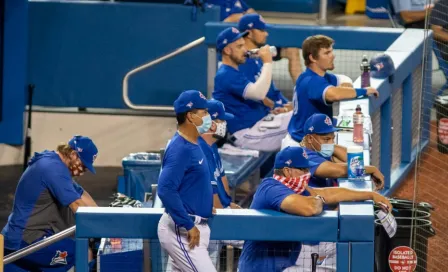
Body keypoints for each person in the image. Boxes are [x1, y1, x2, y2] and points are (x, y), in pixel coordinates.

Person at [237, 146, 392, 272]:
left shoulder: (295, 187)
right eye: (303, 169)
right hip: (259, 266)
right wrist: (317, 199)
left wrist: (370, 195)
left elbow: (329, 193)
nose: (307, 174)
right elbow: (310, 207)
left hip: (285, 263)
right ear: (287, 171)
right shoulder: (270, 187)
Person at [2, 135, 99, 272]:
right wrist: (99, 230)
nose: (82, 172)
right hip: (26, 239)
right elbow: (77, 206)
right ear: (72, 154)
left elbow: (81, 194)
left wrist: (102, 217)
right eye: (82, 166)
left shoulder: (54, 162)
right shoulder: (54, 170)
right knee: (81, 252)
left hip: (19, 236)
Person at [283, 35, 380, 147]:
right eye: (327, 53)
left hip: (309, 142)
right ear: (313, 58)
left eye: (331, 52)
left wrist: (345, 87)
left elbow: (343, 79)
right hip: (299, 147)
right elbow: (334, 94)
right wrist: (363, 91)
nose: (332, 56)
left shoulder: (319, 77)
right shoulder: (312, 81)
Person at [157, 90, 217, 272]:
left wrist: (204, 203)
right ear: (191, 116)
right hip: (182, 231)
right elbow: (166, 190)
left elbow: (191, 182)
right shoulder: (180, 149)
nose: (208, 116)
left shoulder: (194, 143)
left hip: (192, 227)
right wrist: (188, 224)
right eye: (204, 112)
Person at [213, 27, 292, 152]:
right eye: (239, 47)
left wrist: (272, 109)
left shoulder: (234, 71)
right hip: (246, 135)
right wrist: (267, 62)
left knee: (304, 116)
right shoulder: (225, 74)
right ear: (227, 50)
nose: (245, 50)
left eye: (244, 45)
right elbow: (259, 94)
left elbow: (259, 99)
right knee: (302, 123)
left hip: (260, 125)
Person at [299, 113, 385, 190]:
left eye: (333, 138)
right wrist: (372, 169)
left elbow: (353, 159)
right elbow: (343, 170)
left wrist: (330, 146)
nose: (331, 143)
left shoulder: (318, 150)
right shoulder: (306, 157)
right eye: (326, 139)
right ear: (310, 138)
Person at [238, 13, 302, 88]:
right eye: (262, 30)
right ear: (249, 34)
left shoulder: (258, 54)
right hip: (260, 97)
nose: (266, 34)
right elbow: (256, 95)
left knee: (292, 50)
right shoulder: (242, 61)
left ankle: (301, 90)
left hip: (273, 98)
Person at [198, 99, 241, 209]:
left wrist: (228, 204)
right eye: (222, 120)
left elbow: (222, 178)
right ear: (211, 124)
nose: (225, 124)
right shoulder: (199, 150)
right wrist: (224, 215)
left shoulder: (212, 145)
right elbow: (210, 195)